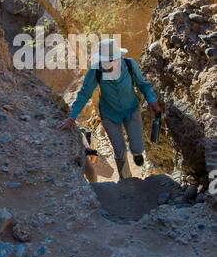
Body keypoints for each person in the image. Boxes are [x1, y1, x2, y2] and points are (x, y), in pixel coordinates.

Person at [60, 39, 161, 181]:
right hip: (109, 114)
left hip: (131, 110)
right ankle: (126, 180)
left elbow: (143, 84)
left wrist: (151, 100)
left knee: (137, 147)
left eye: (112, 60)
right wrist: (72, 117)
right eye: (105, 61)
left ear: (119, 58)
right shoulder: (95, 70)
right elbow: (84, 94)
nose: (108, 64)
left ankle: (137, 154)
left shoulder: (130, 64)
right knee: (119, 151)